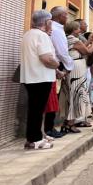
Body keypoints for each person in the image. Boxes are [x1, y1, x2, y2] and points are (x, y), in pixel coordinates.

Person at [20, 10, 59, 150]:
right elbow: (47, 58)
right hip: (40, 78)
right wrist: (57, 64)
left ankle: (33, 137)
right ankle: (35, 140)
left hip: (30, 77)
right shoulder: (41, 36)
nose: (51, 24)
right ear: (46, 22)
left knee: (34, 110)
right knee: (37, 110)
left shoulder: (28, 34)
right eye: (50, 21)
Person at [65, 20, 93, 128]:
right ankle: (71, 123)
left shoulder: (70, 39)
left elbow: (81, 48)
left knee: (74, 93)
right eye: (78, 28)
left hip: (75, 67)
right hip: (77, 68)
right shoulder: (74, 40)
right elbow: (87, 52)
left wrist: (89, 41)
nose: (80, 30)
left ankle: (72, 121)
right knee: (77, 94)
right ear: (73, 30)